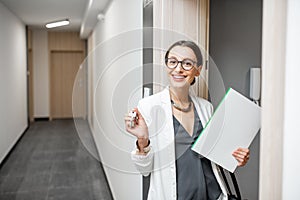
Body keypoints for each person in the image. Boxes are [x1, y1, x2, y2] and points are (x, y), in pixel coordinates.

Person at [124, 40, 250, 200]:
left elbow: (215, 156)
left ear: (197, 70)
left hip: (212, 194)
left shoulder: (206, 107)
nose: (178, 69)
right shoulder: (149, 106)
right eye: (173, 62)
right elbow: (144, 170)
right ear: (167, 66)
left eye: (187, 64)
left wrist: (236, 157)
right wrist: (142, 140)